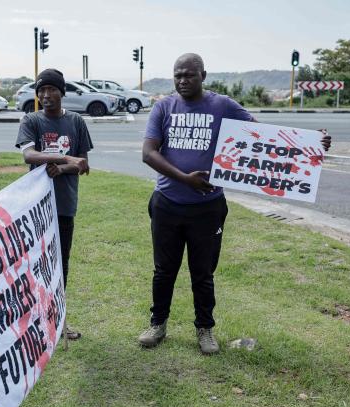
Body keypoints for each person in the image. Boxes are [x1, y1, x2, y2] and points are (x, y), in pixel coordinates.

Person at [138, 53, 331, 354]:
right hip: (168, 203)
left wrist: (311, 145)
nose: (182, 81)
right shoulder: (164, 107)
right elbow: (149, 153)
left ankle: (205, 330)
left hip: (208, 207)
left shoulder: (222, 105)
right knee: (164, 270)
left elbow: (265, 138)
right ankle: (157, 324)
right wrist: (185, 178)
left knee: (203, 273)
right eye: (177, 75)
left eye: (189, 75)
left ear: (204, 75)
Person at [15, 68, 93, 340]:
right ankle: (34, 321)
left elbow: (82, 163)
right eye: (41, 90)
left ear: (62, 92)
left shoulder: (76, 122)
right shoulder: (31, 120)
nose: (46, 95)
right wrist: (65, 159)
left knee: (61, 265)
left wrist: (63, 168)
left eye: (52, 89)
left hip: (63, 206)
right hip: (37, 208)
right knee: (36, 264)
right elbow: (29, 155)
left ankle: (58, 321)